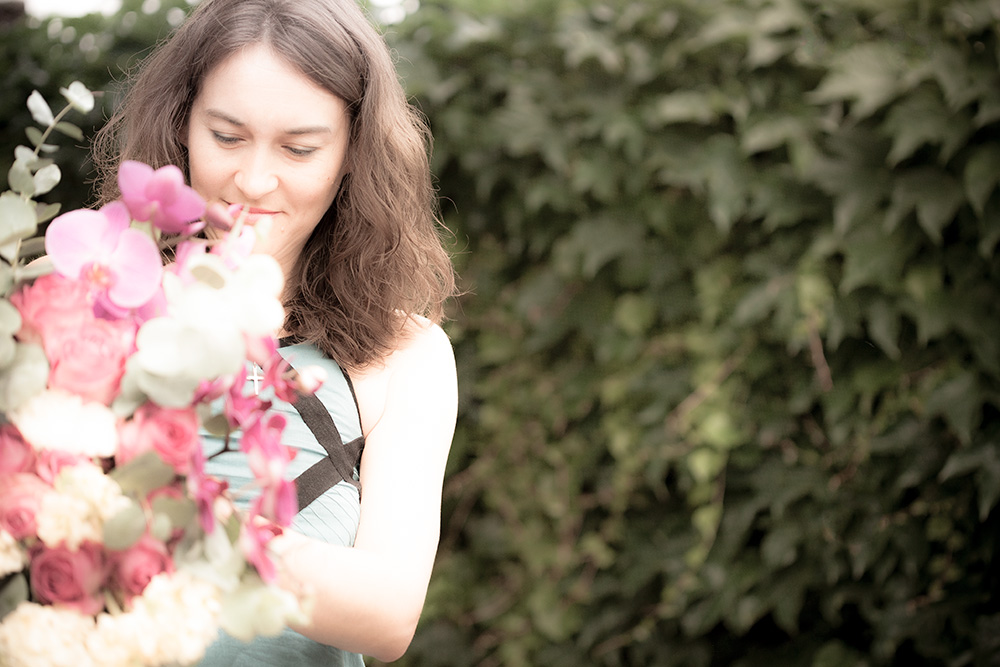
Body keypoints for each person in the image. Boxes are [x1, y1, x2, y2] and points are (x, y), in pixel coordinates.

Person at [90, 0, 458, 664]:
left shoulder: (405, 355)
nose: (254, 181)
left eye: (299, 148)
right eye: (227, 137)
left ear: (353, 153)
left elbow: (388, 614)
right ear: (181, 125)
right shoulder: (93, 307)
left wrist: (193, 519)